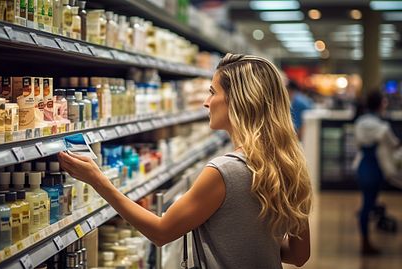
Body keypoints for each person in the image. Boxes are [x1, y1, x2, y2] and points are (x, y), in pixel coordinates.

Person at [58, 54, 312, 268]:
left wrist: (98, 180)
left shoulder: (225, 171)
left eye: (213, 92)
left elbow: (161, 232)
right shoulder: (287, 164)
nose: (206, 102)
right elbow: (300, 256)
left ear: (238, 101)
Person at [353, 90, 400, 255]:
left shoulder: (360, 122)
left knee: (367, 203)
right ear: (381, 104)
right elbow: (394, 145)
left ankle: (365, 240)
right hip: (375, 168)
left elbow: (358, 143)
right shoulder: (382, 127)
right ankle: (366, 244)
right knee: (368, 204)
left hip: (363, 166)